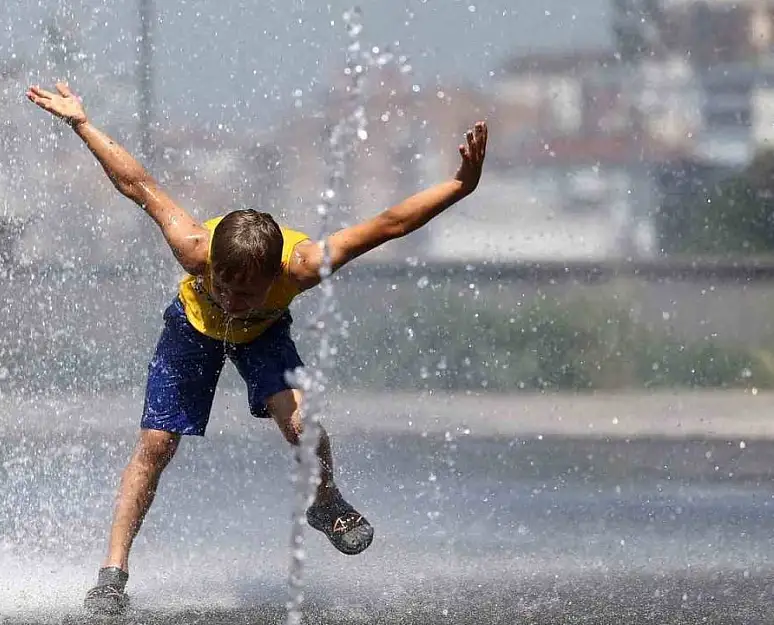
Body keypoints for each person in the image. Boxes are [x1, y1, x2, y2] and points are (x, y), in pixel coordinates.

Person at [25, 81, 488, 616]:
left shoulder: (304, 265)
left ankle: (326, 503)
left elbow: (389, 225)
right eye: (224, 286)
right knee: (156, 443)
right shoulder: (195, 248)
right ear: (211, 268)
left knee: (302, 426)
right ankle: (112, 573)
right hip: (191, 330)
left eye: (247, 292)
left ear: (275, 275)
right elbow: (136, 183)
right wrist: (82, 123)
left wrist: (459, 186)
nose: (233, 300)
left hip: (266, 337)